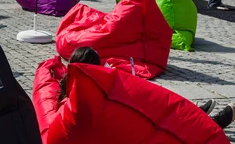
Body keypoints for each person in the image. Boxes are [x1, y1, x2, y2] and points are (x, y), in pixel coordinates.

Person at [56, 47, 235, 129]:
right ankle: (212, 124)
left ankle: (195, 113)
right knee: (166, 117)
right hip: (132, 121)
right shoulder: (82, 94)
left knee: (164, 103)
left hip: (130, 113)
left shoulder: (71, 84)